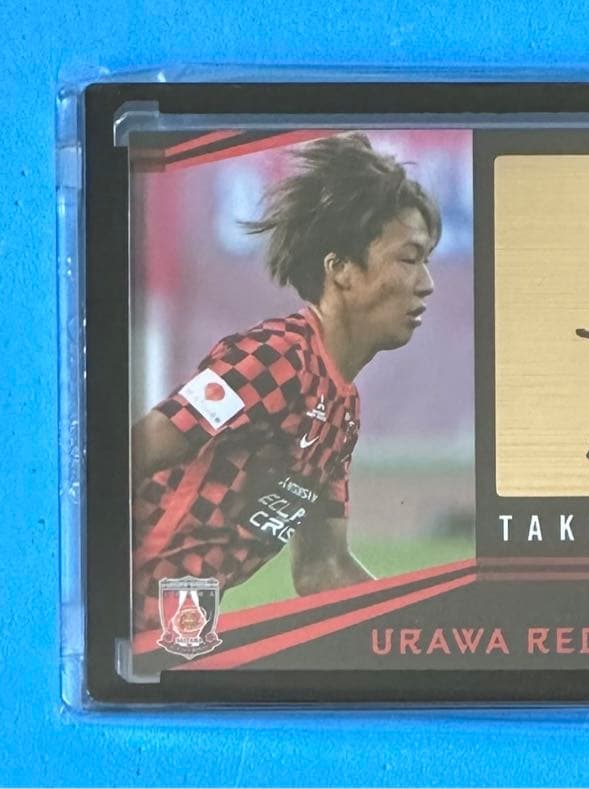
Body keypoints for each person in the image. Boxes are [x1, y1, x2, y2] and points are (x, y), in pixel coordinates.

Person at [130, 132, 439, 631]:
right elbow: (131, 455)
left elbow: (323, 569)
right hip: (119, 615)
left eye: (427, 261)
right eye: (409, 258)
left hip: (172, 631)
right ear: (340, 269)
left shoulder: (341, 411)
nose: (427, 283)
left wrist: (420, 631)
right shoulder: (277, 358)